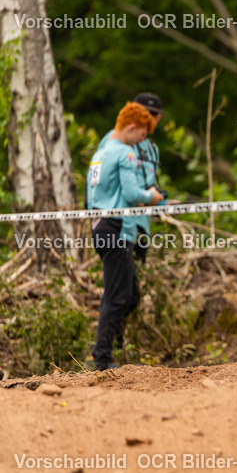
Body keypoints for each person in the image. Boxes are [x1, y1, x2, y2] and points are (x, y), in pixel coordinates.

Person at [87, 103, 165, 370]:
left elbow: (91, 195)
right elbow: (133, 194)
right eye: (142, 135)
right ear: (132, 128)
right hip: (117, 228)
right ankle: (102, 359)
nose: (141, 142)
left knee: (129, 294)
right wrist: (152, 197)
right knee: (117, 296)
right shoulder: (126, 154)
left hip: (99, 225)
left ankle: (108, 345)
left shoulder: (101, 152)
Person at [98, 92, 168, 263]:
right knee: (120, 281)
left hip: (140, 223)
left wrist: (161, 202)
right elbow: (102, 181)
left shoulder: (151, 148)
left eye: (152, 115)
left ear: (158, 118)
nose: (147, 119)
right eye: (144, 113)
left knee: (132, 277)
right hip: (118, 222)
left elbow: (148, 184)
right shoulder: (115, 142)